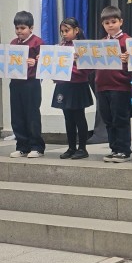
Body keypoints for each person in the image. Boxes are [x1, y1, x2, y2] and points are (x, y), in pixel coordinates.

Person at [52, 17, 93, 160]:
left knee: (79, 117)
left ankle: (82, 148)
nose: (64, 34)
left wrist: (76, 61)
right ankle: (71, 147)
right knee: (68, 118)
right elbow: (55, 66)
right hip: (64, 86)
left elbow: (89, 70)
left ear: (76, 30)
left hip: (78, 86)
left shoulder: (82, 47)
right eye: (62, 31)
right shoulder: (60, 47)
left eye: (67, 30)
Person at [95, 6, 132, 163]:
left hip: (120, 86)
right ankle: (114, 148)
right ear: (103, 25)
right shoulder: (101, 43)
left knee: (120, 119)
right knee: (108, 120)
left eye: (113, 21)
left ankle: (124, 150)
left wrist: (129, 59)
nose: (110, 25)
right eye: (107, 23)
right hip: (102, 86)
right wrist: (81, 57)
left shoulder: (127, 41)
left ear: (120, 22)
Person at [9, 11, 46, 158]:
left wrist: (36, 62)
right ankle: (22, 146)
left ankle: (37, 146)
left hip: (31, 83)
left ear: (31, 28)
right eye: (17, 28)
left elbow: (46, 63)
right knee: (17, 115)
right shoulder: (13, 43)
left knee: (32, 115)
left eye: (22, 28)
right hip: (15, 82)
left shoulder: (38, 42)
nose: (19, 31)